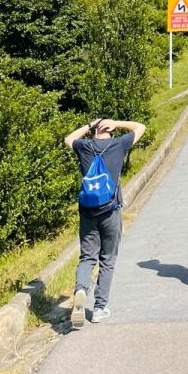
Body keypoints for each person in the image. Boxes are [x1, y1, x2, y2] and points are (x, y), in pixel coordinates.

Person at [64, 115, 146, 328]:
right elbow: (140, 127)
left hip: (88, 213)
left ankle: (81, 289)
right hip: (111, 211)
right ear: (109, 130)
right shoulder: (118, 144)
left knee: (87, 257)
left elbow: (68, 138)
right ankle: (99, 308)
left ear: (94, 132)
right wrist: (117, 123)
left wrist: (90, 125)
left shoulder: (84, 146)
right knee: (108, 258)